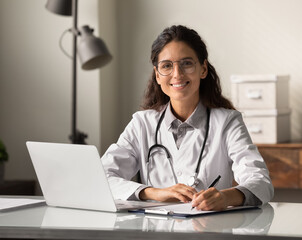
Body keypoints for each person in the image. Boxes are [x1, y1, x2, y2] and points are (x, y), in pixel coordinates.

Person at [101, 25, 274, 211]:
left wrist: (225, 197)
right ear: (157, 75)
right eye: (167, 66)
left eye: (187, 63)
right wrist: (153, 192)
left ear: (203, 69)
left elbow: (261, 182)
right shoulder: (142, 123)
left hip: (209, 230)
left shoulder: (227, 122)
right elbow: (102, 178)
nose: (177, 74)